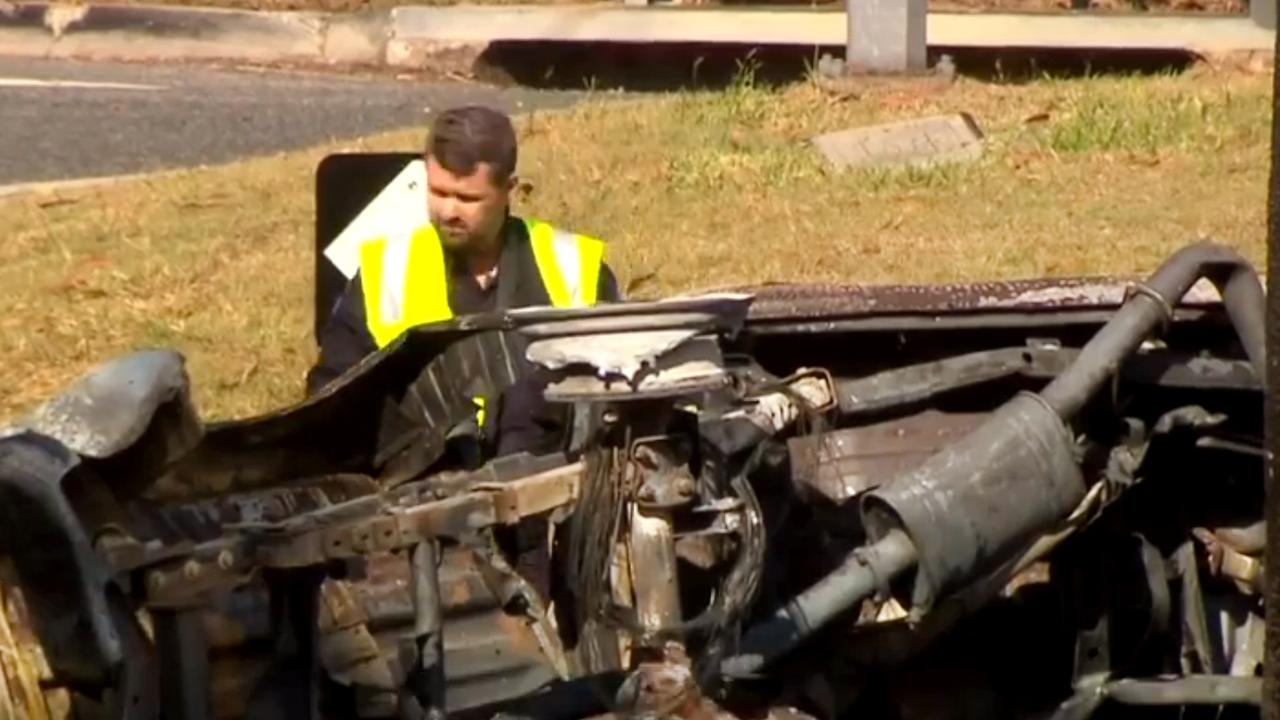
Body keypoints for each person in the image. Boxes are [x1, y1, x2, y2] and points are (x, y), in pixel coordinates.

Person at [307, 104, 622, 461]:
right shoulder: (386, 272)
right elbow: (331, 399)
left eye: (469, 198)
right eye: (439, 193)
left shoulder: (574, 268)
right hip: (418, 491)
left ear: (509, 189)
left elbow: (620, 393)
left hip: (549, 487)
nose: (449, 211)